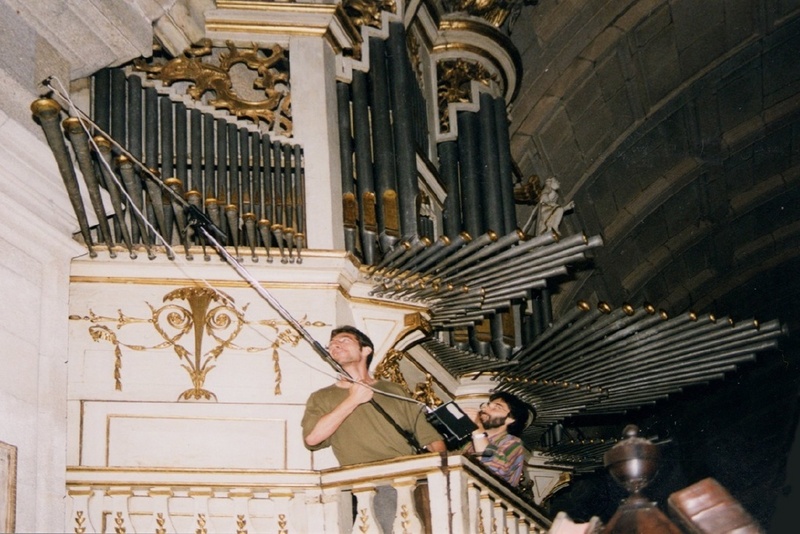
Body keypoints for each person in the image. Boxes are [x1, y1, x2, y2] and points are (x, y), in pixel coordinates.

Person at [302, 325, 446, 465]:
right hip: (365, 480)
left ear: (366, 350)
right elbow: (312, 439)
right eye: (331, 344)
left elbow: (428, 436)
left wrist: (443, 473)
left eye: (344, 340)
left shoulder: (393, 390)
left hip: (406, 473)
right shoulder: (321, 396)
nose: (335, 345)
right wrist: (353, 400)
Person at [462, 391, 532, 487]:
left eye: (497, 407)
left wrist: (477, 426)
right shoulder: (469, 443)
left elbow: (493, 467)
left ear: (510, 419)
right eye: (487, 405)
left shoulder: (513, 443)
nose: (485, 409)